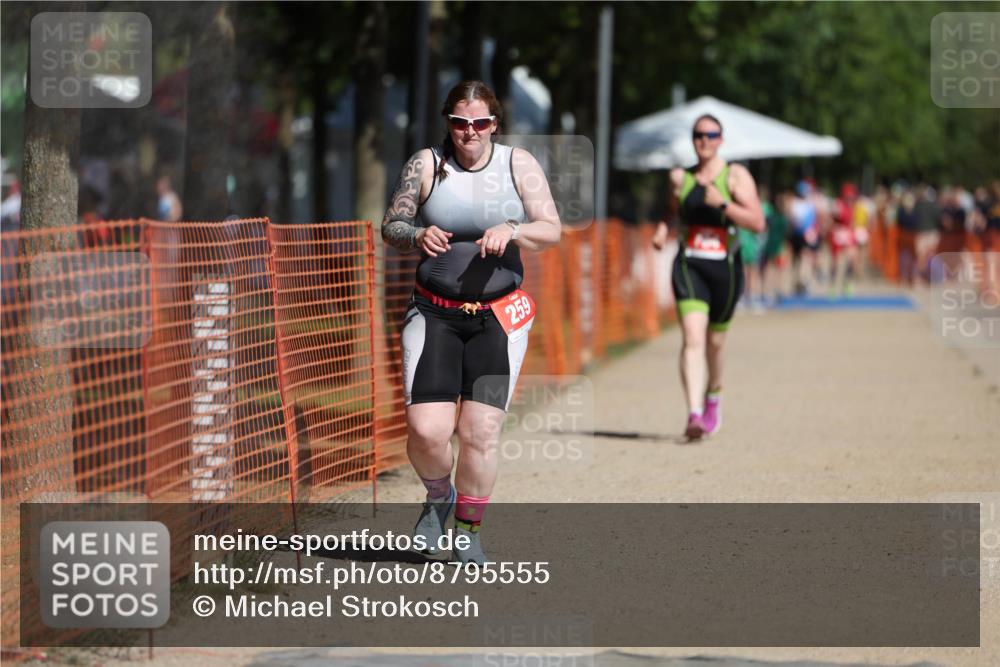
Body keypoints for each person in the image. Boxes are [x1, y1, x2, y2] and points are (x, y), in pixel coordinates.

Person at [381, 81, 561, 565]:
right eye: (460, 123)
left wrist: (513, 228)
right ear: (448, 122)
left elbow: (552, 227)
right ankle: (438, 497)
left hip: (498, 316)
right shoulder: (426, 164)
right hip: (434, 312)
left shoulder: (516, 164)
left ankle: (467, 529)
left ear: (494, 124)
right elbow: (391, 225)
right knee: (425, 432)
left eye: (480, 123)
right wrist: (417, 233)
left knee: (480, 433)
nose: (469, 132)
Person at [652, 114, 764, 440]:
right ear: (693, 139)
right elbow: (670, 211)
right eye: (699, 135)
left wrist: (724, 205)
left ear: (721, 140)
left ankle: (713, 394)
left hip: (725, 269)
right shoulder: (679, 178)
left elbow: (757, 222)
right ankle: (694, 414)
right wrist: (662, 230)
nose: (705, 140)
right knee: (693, 338)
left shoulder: (735, 177)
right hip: (690, 265)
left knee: (715, 343)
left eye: (711, 135)